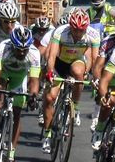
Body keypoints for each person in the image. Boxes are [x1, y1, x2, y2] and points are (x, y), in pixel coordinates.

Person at [41, 9, 101, 153]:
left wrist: (93, 76)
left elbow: (95, 58)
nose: (78, 33)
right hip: (59, 64)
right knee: (50, 98)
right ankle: (48, 134)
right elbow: (52, 55)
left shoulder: (93, 34)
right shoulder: (60, 32)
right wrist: (50, 73)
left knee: (79, 74)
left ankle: (76, 107)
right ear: (70, 26)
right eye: (75, 29)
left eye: (81, 30)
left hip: (77, 61)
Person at [0, 25, 41, 162]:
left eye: (25, 49)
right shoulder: (3, 47)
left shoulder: (35, 53)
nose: (22, 52)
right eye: (19, 49)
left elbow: (34, 80)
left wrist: (34, 96)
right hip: (4, 73)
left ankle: (11, 156)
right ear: (12, 45)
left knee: (17, 113)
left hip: (19, 77)